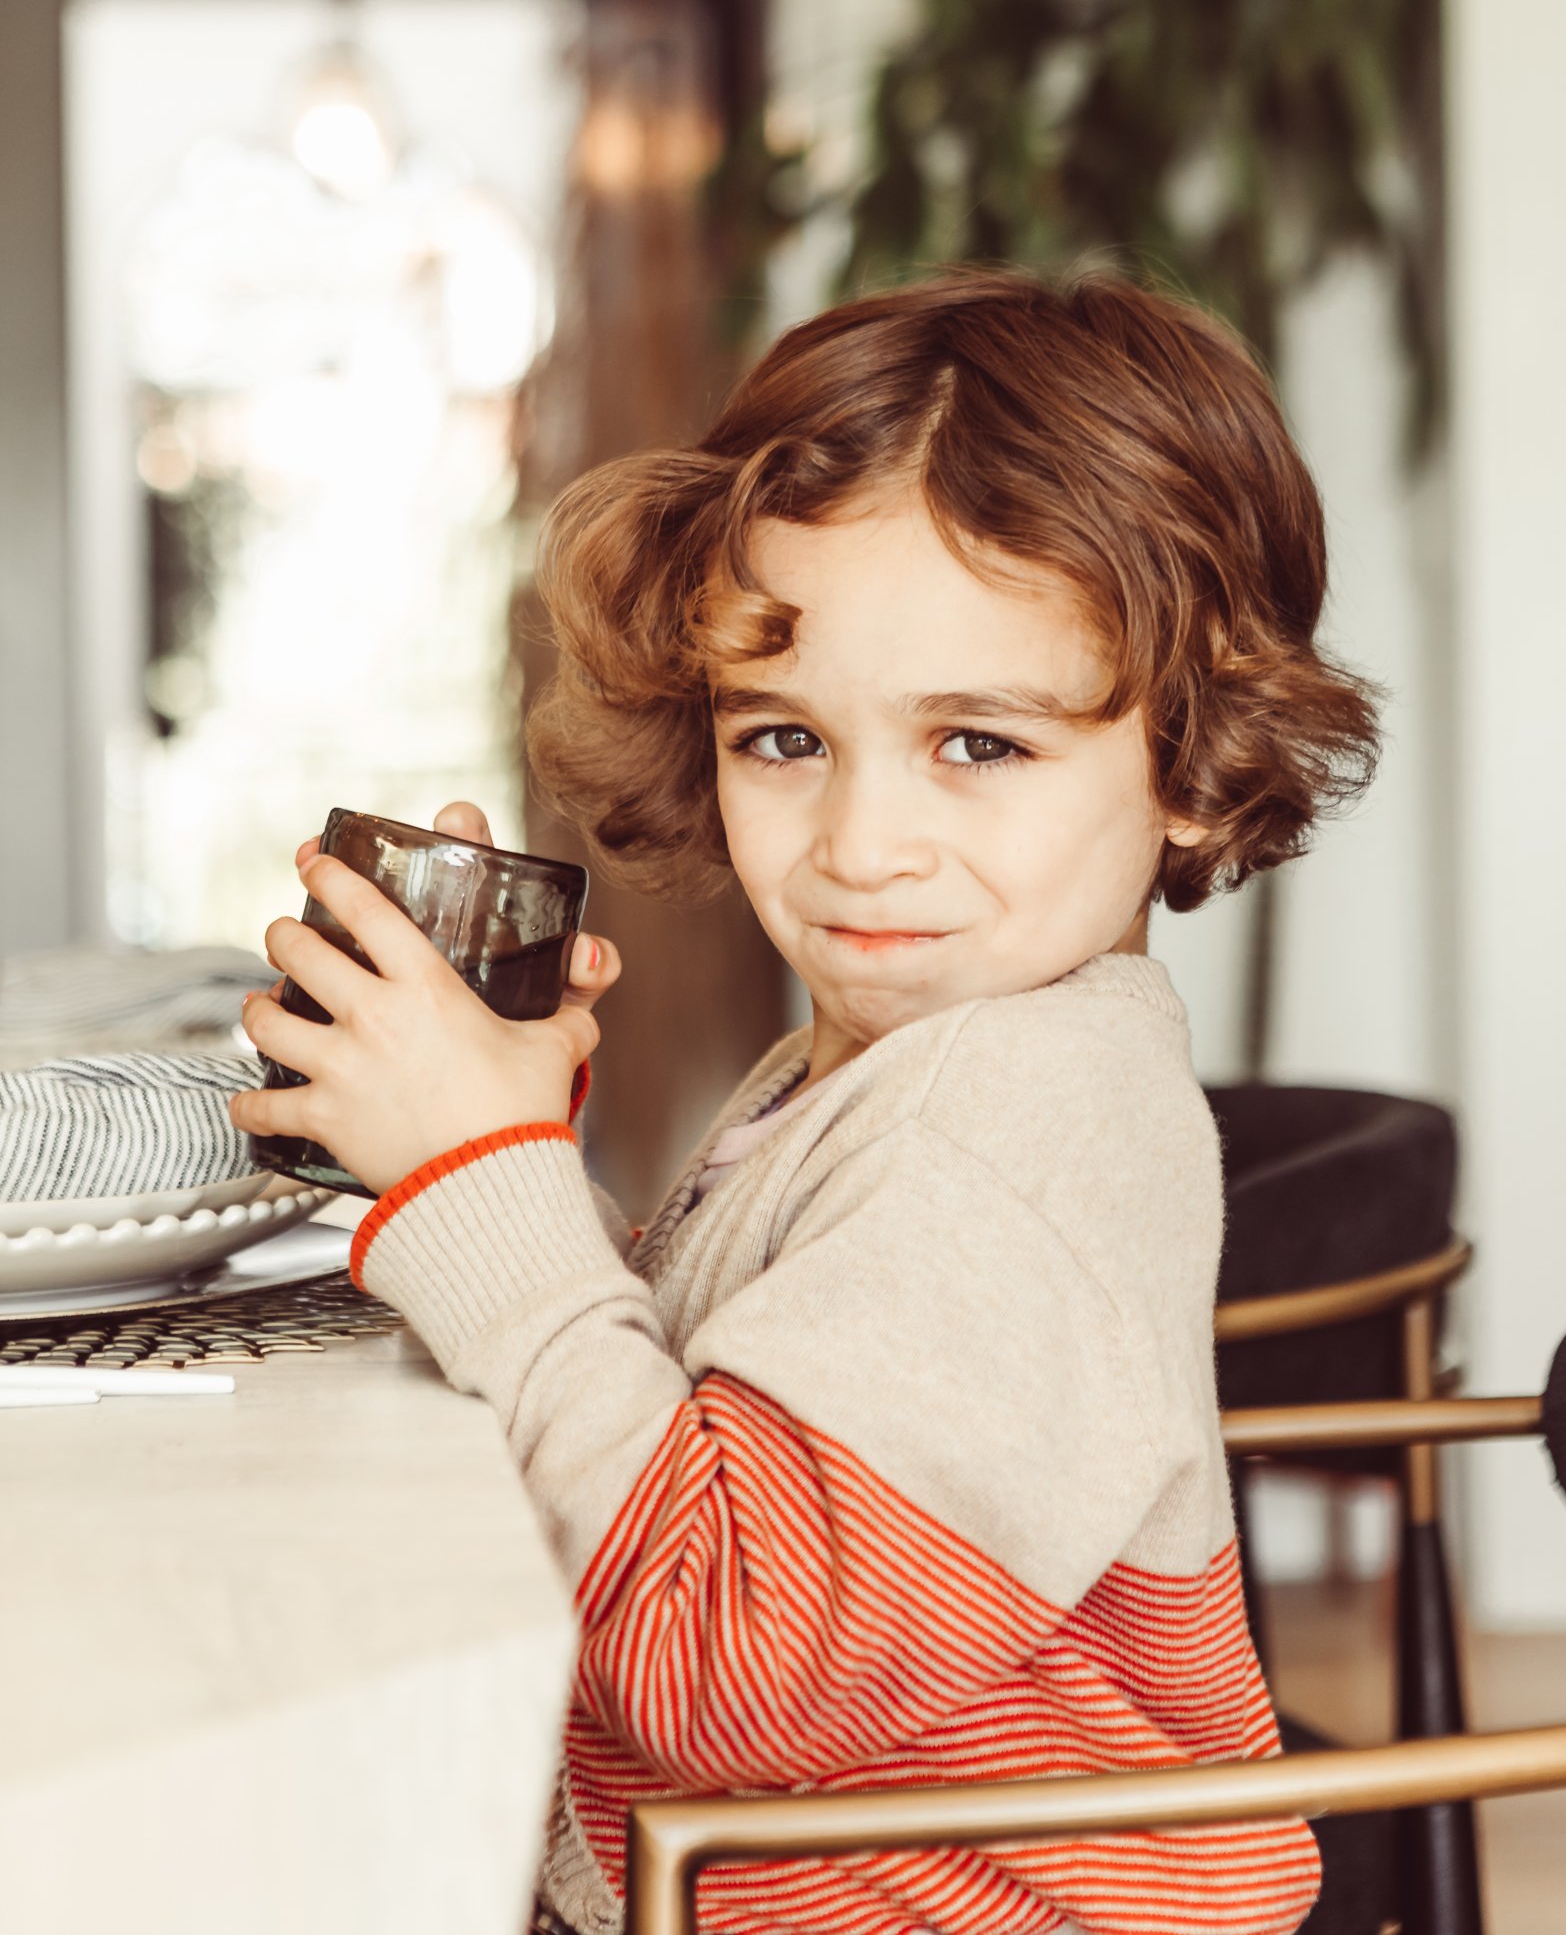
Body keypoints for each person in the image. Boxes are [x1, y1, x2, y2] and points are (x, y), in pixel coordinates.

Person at [231, 269, 1378, 1935]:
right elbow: (745, 1440)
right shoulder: (897, 1061)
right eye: (783, 740)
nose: (858, 845)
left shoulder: (1009, 1130)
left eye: (976, 745)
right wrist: (525, 1159)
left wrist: (484, 1181)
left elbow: (732, 1677)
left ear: (1194, 763)